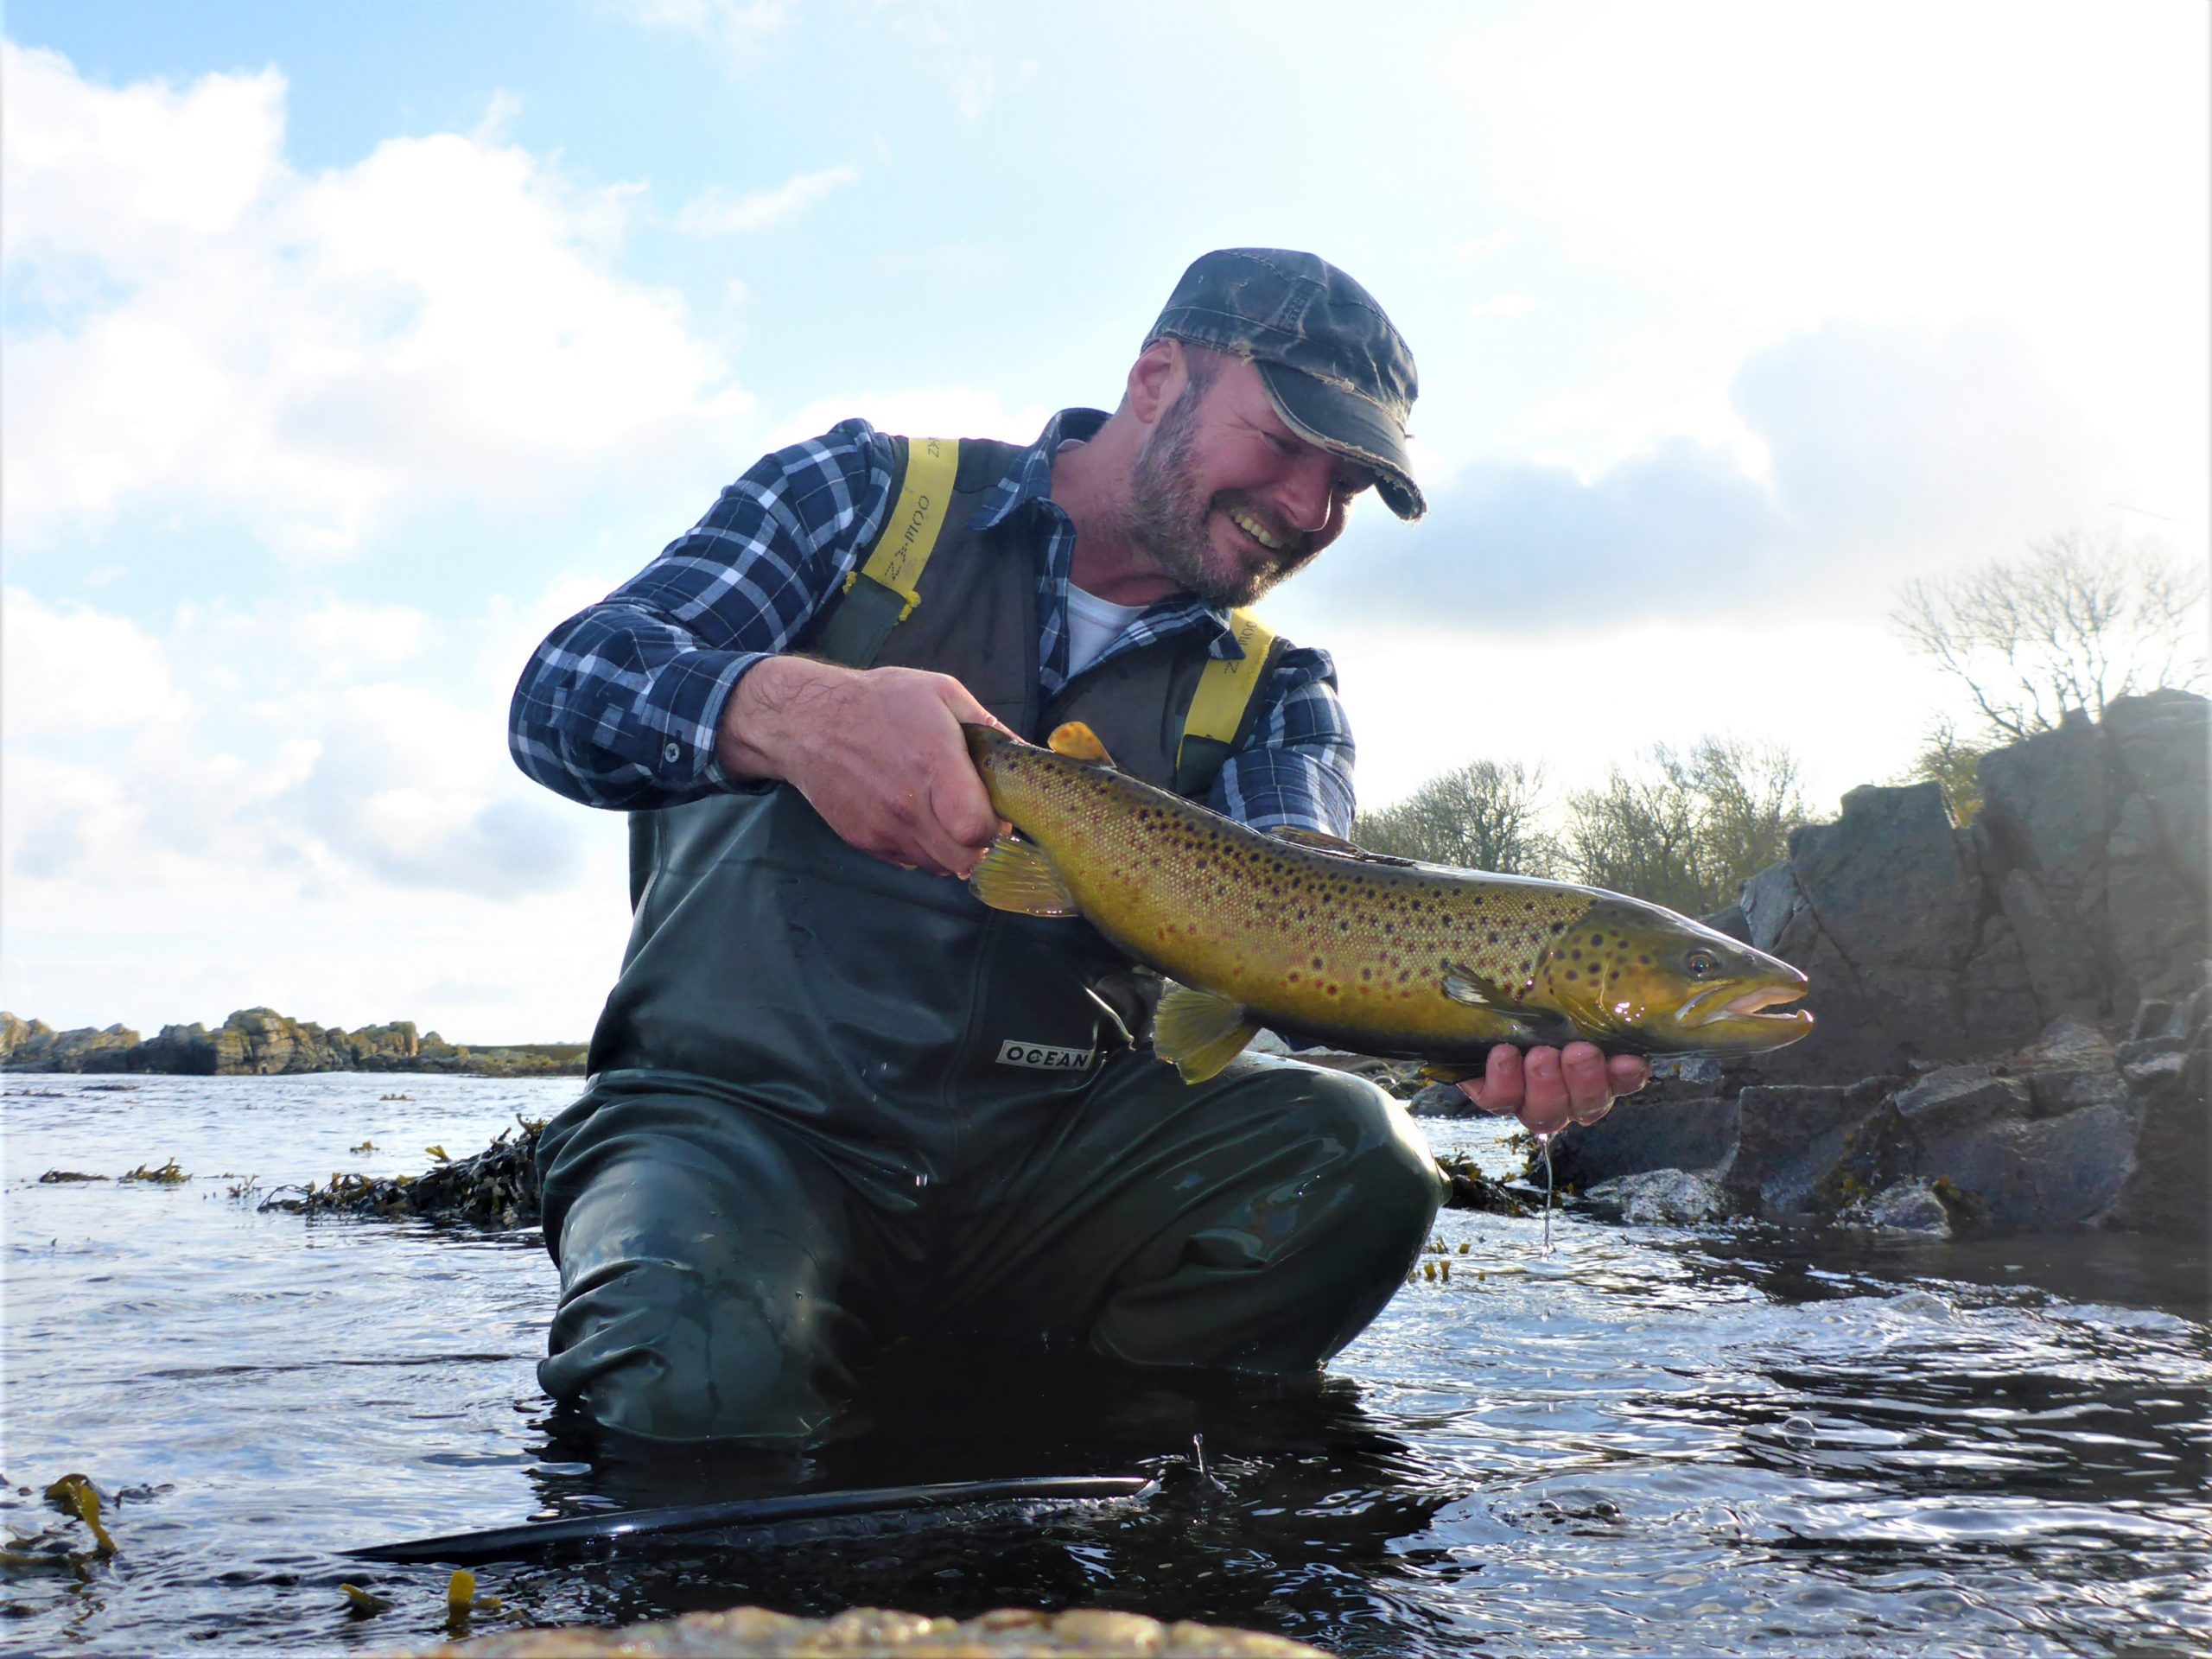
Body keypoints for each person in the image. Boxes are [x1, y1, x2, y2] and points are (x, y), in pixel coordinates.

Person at [508, 248, 1648, 1446]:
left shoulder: (1277, 693)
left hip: (1050, 1178)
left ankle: (1092, 1457)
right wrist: (797, 715)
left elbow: (1306, 933)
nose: (1311, 508)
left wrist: (1480, 1023)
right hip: (736, 1132)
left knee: (1358, 1158)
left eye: (1349, 486)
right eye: (1288, 441)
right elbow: (565, 693)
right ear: (1158, 378)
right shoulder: (861, 499)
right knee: (695, 1381)